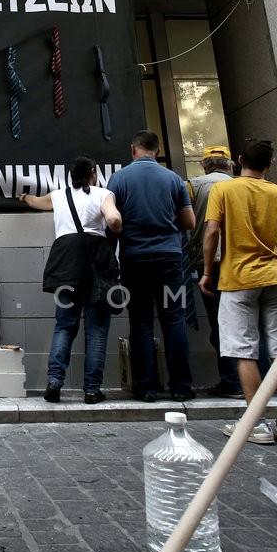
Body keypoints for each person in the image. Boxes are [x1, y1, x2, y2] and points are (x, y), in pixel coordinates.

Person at [199, 138, 277, 444]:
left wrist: (207, 272)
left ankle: (257, 422)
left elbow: (212, 230)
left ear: (240, 160)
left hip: (237, 278)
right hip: (273, 276)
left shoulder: (224, 189)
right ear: (270, 164)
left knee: (244, 351)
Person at [19, 156, 123, 404]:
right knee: (97, 330)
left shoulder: (58, 196)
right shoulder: (103, 193)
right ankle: (91, 389)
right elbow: (114, 220)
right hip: (96, 262)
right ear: (93, 173)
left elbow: (35, 202)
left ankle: (54, 382)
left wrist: (24, 198)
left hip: (66, 262)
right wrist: (116, 228)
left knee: (65, 325)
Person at [107, 130, 196, 402]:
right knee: (173, 320)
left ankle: (146, 387)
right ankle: (181, 386)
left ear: (133, 150)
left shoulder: (119, 179)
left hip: (134, 258)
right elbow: (190, 222)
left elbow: (112, 222)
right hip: (169, 258)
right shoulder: (173, 179)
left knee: (141, 322)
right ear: (157, 151)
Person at [187, 145, 244, 399]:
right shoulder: (246, 185)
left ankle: (232, 381)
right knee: (247, 324)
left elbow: (185, 220)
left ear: (204, 165)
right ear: (230, 164)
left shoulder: (193, 185)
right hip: (244, 263)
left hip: (211, 264)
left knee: (221, 323)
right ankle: (257, 381)